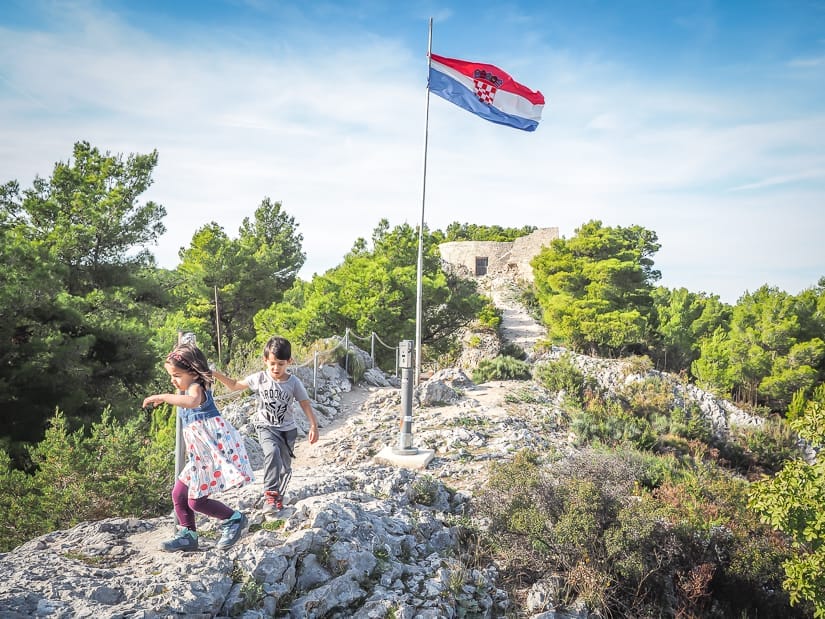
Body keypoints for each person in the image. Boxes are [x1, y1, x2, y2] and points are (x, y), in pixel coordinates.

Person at [143, 342, 254, 552]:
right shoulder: (189, 385)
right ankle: (188, 534)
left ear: (193, 374)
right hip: (199, 457)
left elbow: (193, 401)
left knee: (196, 501)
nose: (173, 380)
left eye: (176, 375)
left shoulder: (195, 388)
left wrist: (164, 397)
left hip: (210, 455)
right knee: (178, 494)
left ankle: (234, 519)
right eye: (171, 375)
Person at [212, 336, 318, 517]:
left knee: (284, 467)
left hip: (287, 430)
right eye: (272, 364)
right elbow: (235, 385)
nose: (276, 368)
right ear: (265, 361)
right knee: (271, 453)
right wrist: (214, 374)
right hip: (266, 427)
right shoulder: (259, 378)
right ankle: (270, 495)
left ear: (289, 362)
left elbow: (305, 403)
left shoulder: (294, 383)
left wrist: (313, 426)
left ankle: (278, 495)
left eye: (281, 364)